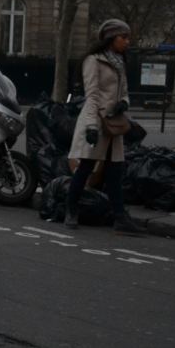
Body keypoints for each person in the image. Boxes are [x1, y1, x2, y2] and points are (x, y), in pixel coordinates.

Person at [65, 19, 146, 235]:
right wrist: (91, 126)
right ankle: (70, 211)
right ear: (111, 38)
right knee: (85, 169)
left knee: (114, 172)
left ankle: (120, 219)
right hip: (96, 121)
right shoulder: (92, 61)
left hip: (114, 124)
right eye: (124, 37)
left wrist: (124, 104)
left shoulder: (119, 61)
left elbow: (125, 92)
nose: (127, 41)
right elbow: (91, 96)